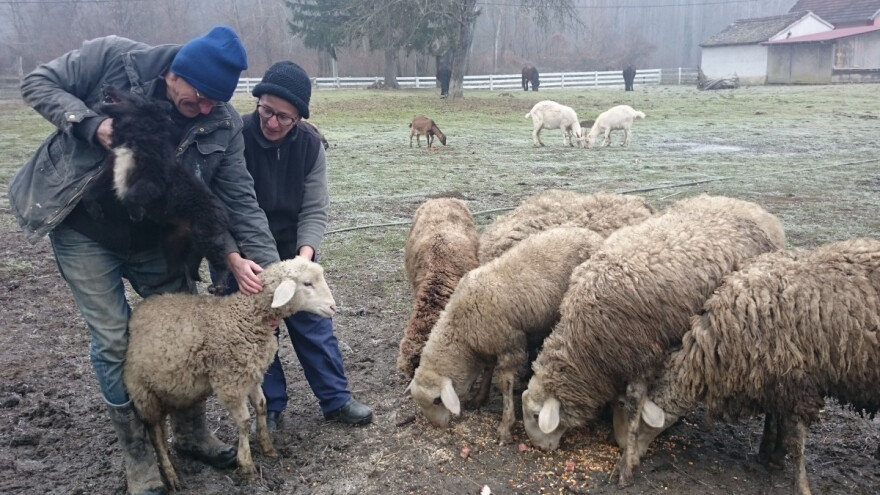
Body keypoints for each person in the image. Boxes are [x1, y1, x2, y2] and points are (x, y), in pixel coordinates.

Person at [9, 26, 281, 495]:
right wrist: (91, 124)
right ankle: (138, 452)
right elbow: (37, 83)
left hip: (160, 238)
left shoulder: (221, 122)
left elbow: (241, 199)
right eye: (197, 98)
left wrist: (272, 277)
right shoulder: (113, 58)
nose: (204, 110)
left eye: (214, 103)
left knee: (189, 328)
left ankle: (191, 434)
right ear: (175, 74)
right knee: (113, 338)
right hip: (86, 227)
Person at [224, 60, 372, 431]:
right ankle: (270, 407)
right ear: (258, 101)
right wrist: (234, 259)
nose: (272, 123)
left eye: (284, 117)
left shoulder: (309, 146)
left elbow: (314, 208)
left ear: (299, 117)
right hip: (244, 257)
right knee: (257, 331)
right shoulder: (235, 136)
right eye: (266, 110)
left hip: (292, 249)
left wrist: (303, 262)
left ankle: (336, 399)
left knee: (314, 324)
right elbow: (223, 206)